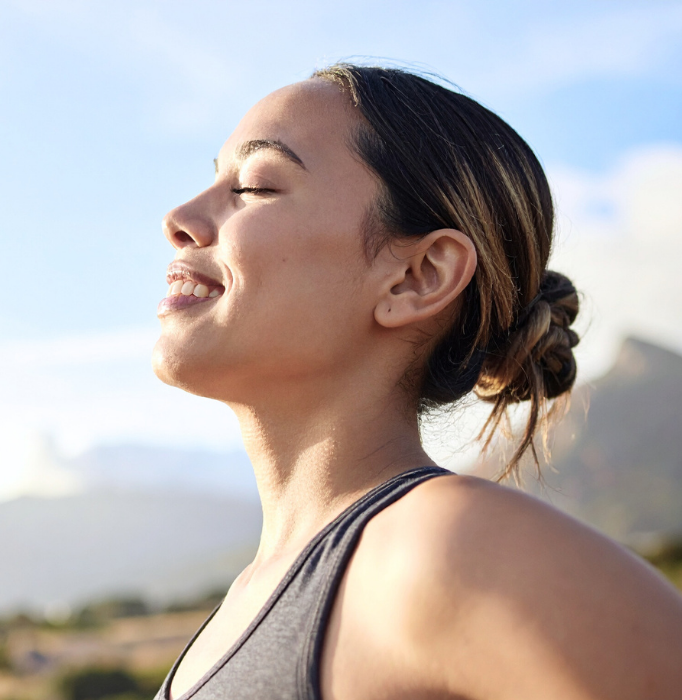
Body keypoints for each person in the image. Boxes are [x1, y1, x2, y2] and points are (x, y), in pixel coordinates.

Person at [151, 64, 682, 700]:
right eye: (212, 178)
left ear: (419, 276)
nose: (178, 217)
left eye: (256, 186)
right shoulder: (252, 595)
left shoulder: (446, 552)